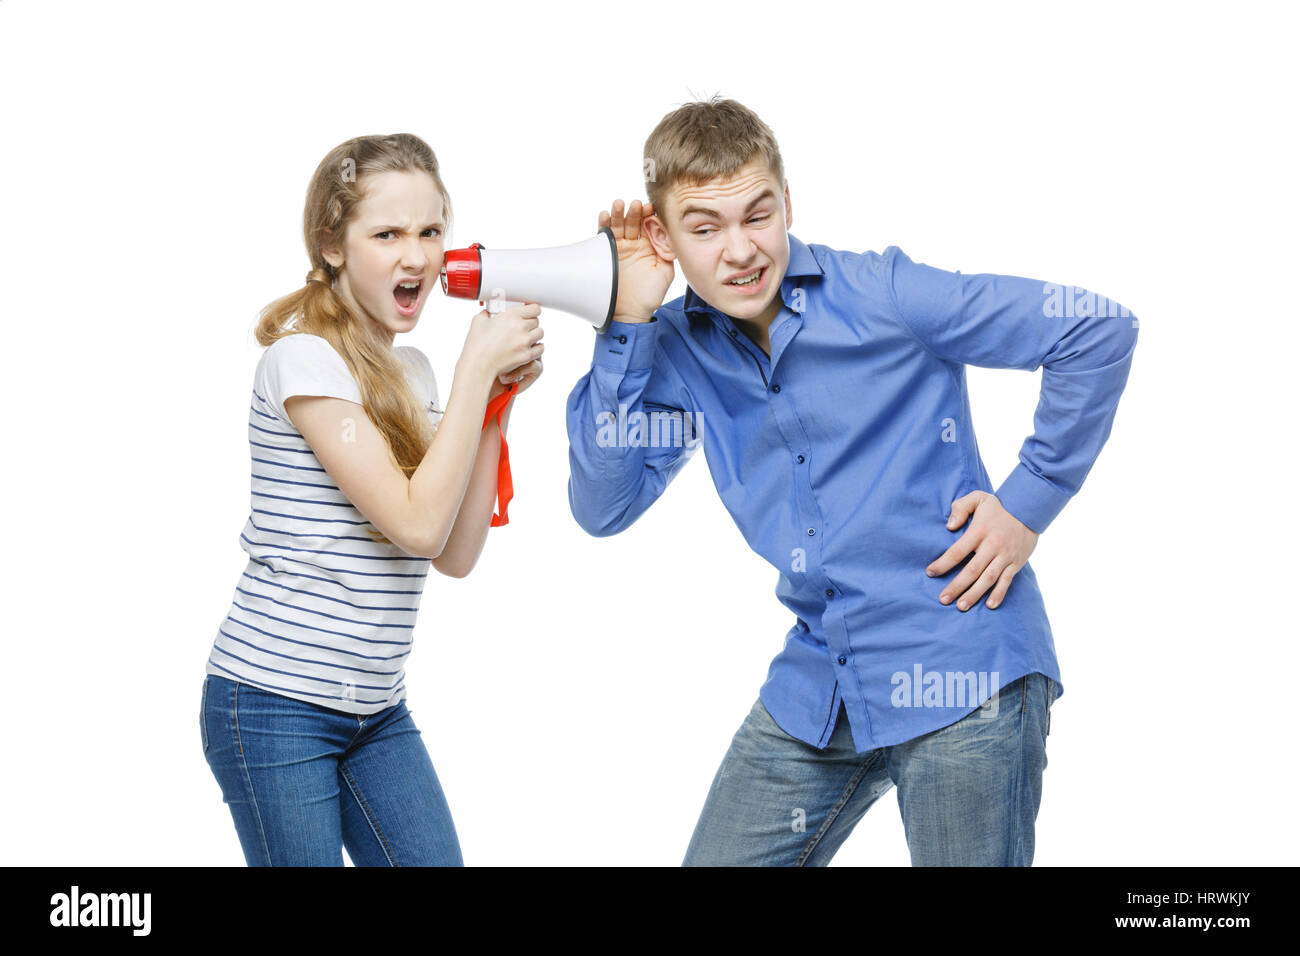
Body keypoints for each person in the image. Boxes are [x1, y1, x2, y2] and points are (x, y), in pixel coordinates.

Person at [565, 97, 1138, 865]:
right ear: (663, 239)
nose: (740, 250)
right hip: (820, 686)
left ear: (788, 203)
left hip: (961, 668)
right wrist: (626, 324)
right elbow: (604, 505)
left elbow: (1095, 329)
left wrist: (1027, 504)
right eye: (704, 228)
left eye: (757, 216)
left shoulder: (886, 294)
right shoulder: (672, 350)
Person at [200, 133, 545, 866]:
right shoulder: (304, 361)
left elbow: (455, 553)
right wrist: (476, 369)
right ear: (332, 243)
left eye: (429, 231)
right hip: (273, 704)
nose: (415, 256)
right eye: (386, 233)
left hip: (375, 711)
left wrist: (495, 398)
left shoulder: (412, 371)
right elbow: (418, 526)